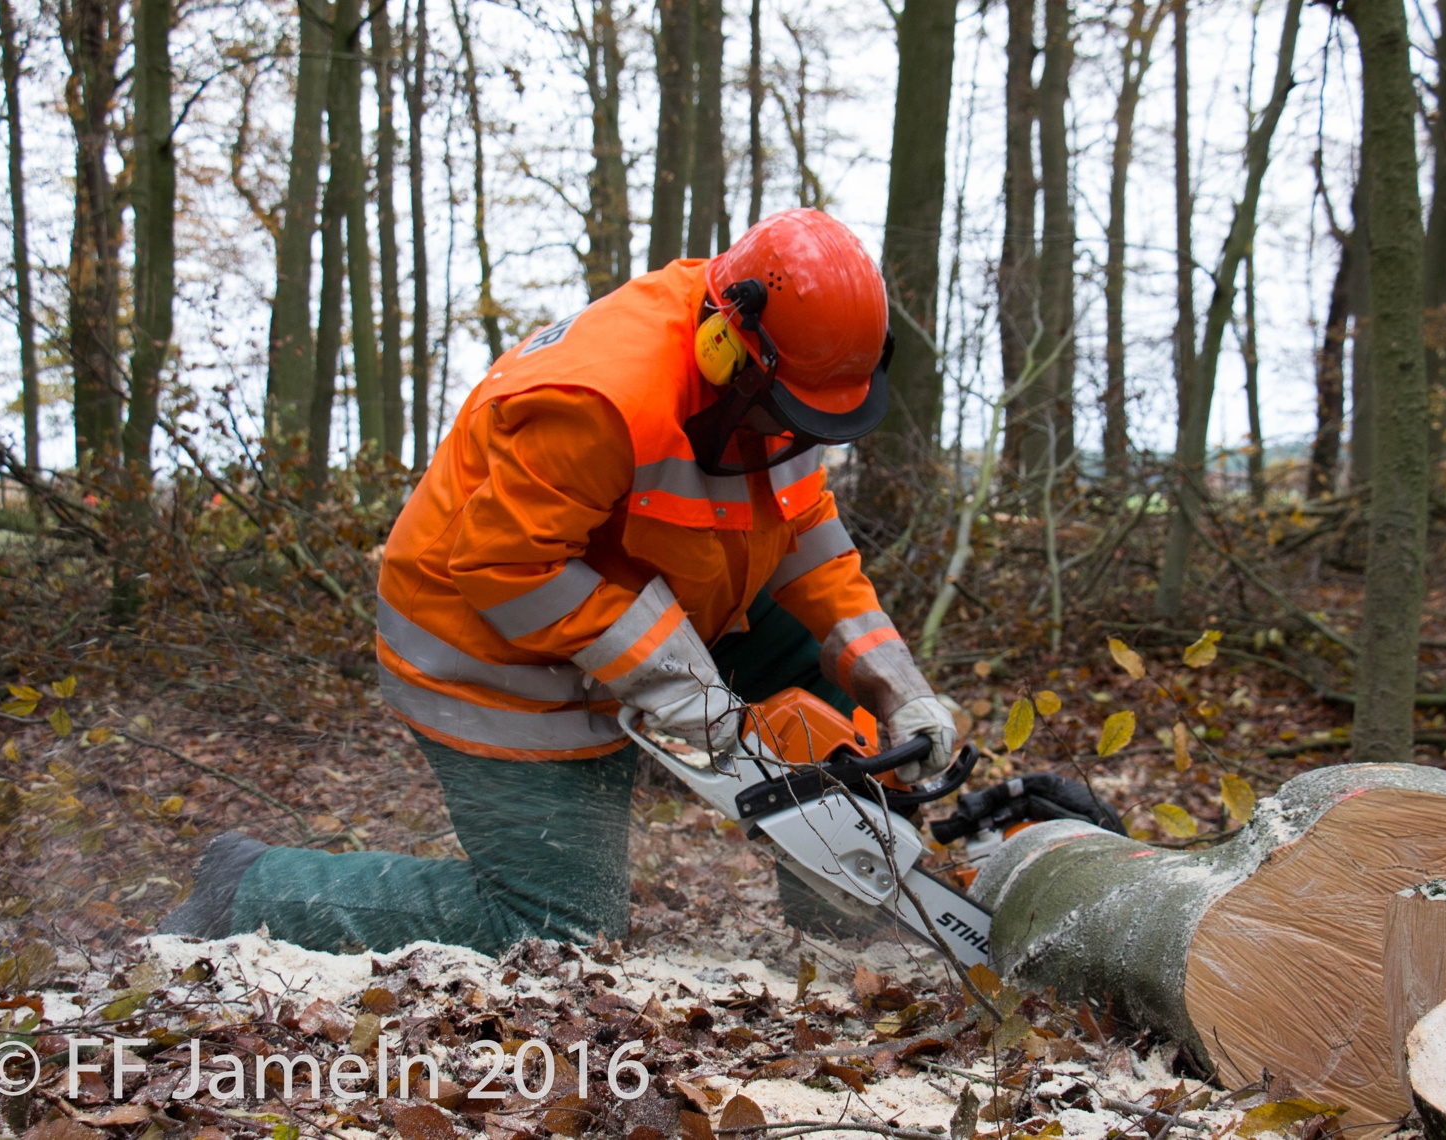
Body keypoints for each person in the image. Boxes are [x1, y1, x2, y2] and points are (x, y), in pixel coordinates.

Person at [160, 209, 957, 954]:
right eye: (787, 415)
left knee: (832, 697)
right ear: (725, 351)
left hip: (645, 602)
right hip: (487, 649)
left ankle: (839, 918)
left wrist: (894, 681)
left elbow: (807, 537)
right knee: (564, 924)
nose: (797, 436)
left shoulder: (795, 378)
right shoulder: (602, 396)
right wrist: (679, 683)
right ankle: (252, 889)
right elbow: (503, 563)